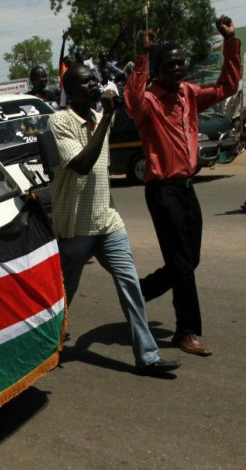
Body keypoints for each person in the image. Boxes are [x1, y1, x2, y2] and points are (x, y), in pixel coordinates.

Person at [49, 62, 180, 376]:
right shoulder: (59, 120)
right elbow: (81, 164)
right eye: (85, 83)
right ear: (69, 90)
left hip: (106, 221)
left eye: (94, 81)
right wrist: (106, 118)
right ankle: (48, 348)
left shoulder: (98, 116)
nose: (94, 86)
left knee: (130, 284)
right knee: (63, 297)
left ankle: (147, 356)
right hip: (75, 227)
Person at [123, 16, 241, 357]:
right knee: (182, 264)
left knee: (190, 260)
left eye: (180, 63)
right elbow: (131, 100)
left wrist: (231, 44)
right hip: (162, 192)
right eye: (170, 64)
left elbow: (226, 87)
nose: (178, 69)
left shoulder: (189, 94)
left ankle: (141, 290)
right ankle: (186, 331)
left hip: (187, 189)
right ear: (157, 69)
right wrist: (142, 55)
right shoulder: (147, 102)